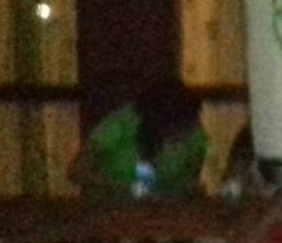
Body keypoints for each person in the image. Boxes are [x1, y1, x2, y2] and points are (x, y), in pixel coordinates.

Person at [68, 82, 208, 199]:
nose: (187, 131)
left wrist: (189, 191)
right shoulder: (121, 124)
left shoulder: (194, 131)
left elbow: (191, 178)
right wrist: (119, 188)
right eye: (179, 126)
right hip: (109, 208)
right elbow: (76, 171)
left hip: (166, 210)